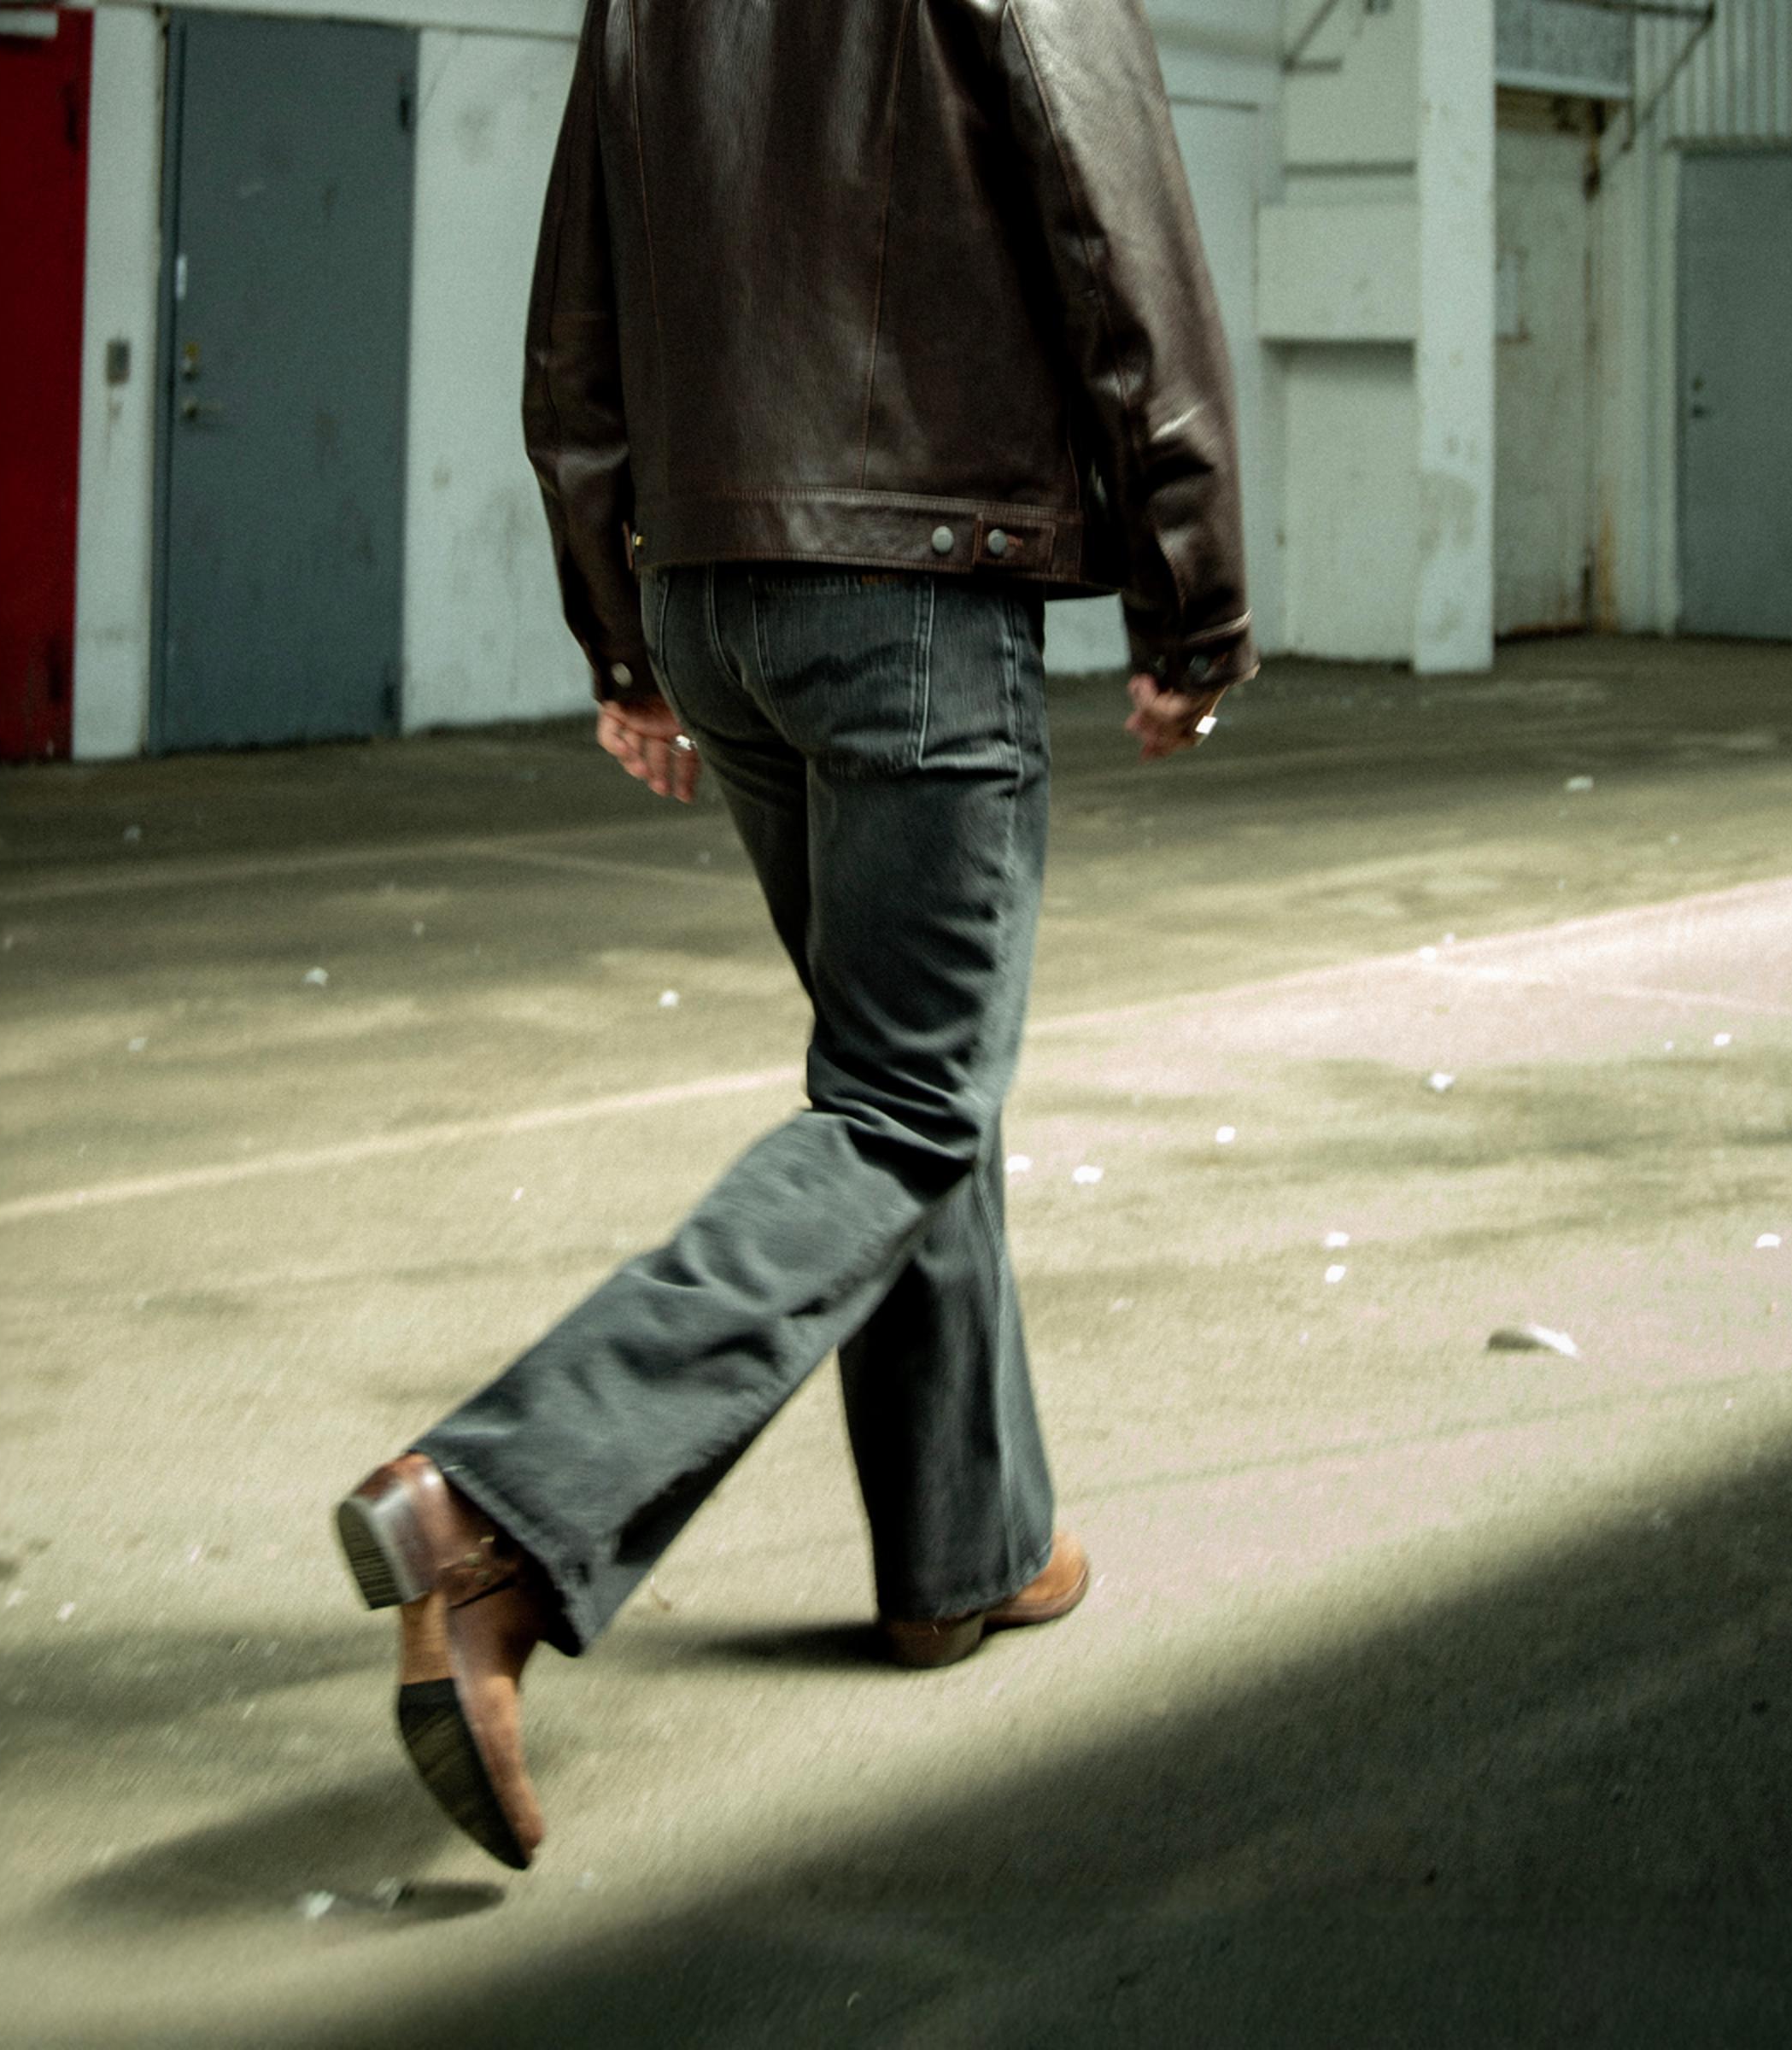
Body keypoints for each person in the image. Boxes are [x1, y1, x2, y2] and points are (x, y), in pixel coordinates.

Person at [334, 0, 1256, 1871]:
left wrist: (623, 628)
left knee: (907, 1077)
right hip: (909, 577)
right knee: (908, 1103)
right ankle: (496, 1500)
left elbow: (576, 306)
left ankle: (965, 1560)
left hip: (712, 589)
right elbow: (1114, 219)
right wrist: (1195, 585)